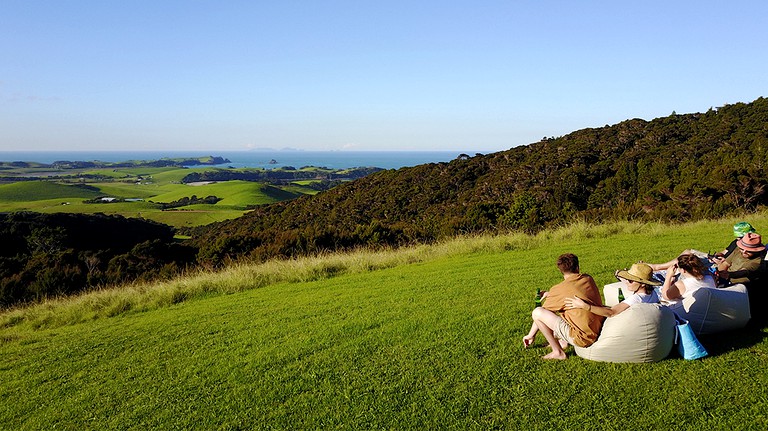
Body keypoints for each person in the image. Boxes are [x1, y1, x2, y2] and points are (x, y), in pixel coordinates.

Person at [522, 253, 604, 360]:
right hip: (598, 327)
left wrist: (530, 335)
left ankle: (558, 352)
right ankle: (563, 342)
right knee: (568, 309)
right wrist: (549, 295)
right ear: (578, 267)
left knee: (537, 312)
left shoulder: (559, 289)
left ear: (560, 271)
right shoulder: (588, 278)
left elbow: (542, 313)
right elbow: (572, 292)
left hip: (583, 338)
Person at [565, 263, 660, 317]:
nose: (626, 282)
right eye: (627, 279)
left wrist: (585, 306)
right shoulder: (652, 293)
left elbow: (612, 313)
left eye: (630, 281)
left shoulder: (637, 299)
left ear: (643, 284)